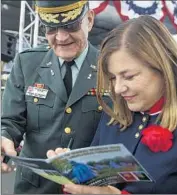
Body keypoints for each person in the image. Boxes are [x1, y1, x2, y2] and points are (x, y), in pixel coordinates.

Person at [47, 15, 177, 194]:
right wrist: (73, 174)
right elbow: (95, 180)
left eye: (129, 76)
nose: (117, 89)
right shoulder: (113, 115)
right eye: (113, 78)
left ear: (163, 67)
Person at [1, 0, 110, 194]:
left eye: (70, 25)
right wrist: (5, 138)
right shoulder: (27, 63)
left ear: (90, 20)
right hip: (34, 187)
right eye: (51, 28)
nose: (61, 37)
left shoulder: (110, 68)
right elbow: (10, 121)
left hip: (89, 187)